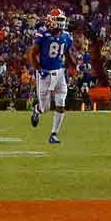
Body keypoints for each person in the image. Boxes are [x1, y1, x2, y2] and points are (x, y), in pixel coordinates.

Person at [25, 8, 72, 146]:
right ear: (50, 21)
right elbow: (32, 54)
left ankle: (53, 134)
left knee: (61, 103)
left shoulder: (67, 36)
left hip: (59, 73)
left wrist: (71, 66)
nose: (60, 23)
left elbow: (68, 54)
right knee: (45, 108)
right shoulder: (42, 35)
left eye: (62, 20)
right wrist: (39, 69)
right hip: (45, 73)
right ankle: (36, 110)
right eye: (58, 20)